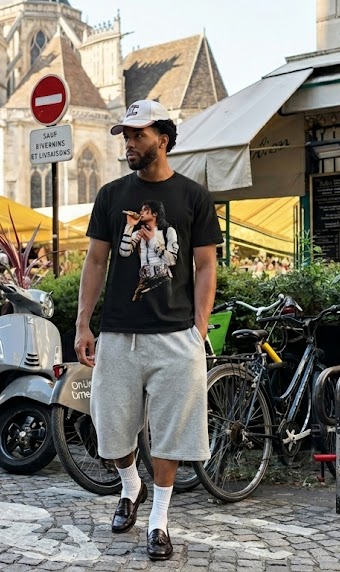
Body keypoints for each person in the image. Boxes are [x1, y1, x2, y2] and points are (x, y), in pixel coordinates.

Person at [75, 99, 221, 561]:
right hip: (119, 334)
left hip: (176, 336)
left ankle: (158, 521)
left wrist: (198, 327)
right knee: (111, 430)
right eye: (125, 135)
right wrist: (83, 322)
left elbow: (205, 266)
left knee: (171, 434)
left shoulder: (193, 196)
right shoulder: (112, 195)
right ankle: (129, 483)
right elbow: (95, 261)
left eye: (137, 134)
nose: (129, 143)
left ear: (163, 136)